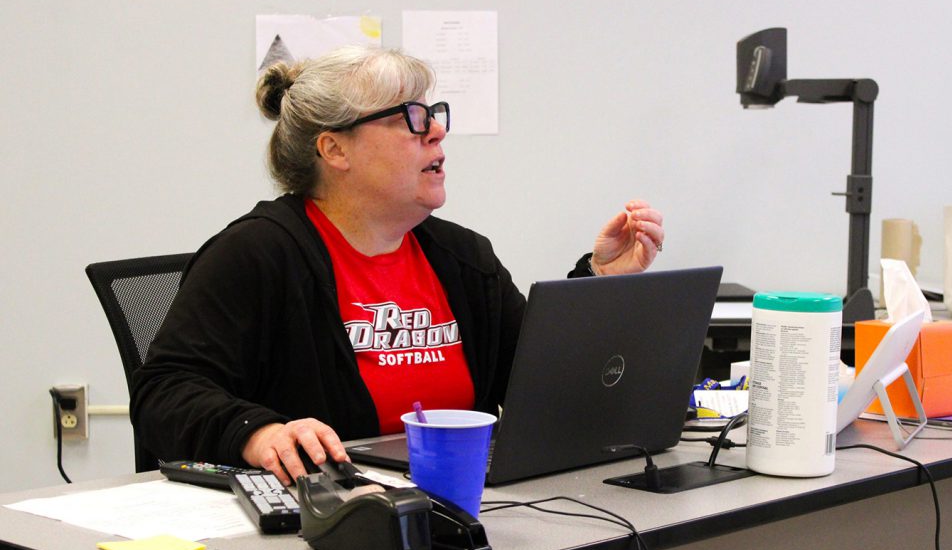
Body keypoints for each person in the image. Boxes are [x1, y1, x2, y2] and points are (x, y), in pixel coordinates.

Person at [131, 46, 664, 486]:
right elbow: (164, 392)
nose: (436, 132)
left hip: (461, 504)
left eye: (434, 115)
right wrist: (256, 433)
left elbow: (537, 387)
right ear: (334, 149)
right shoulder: (257, 255)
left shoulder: (462, 258)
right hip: (326, 518)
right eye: (411, 119)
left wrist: (598, 286)